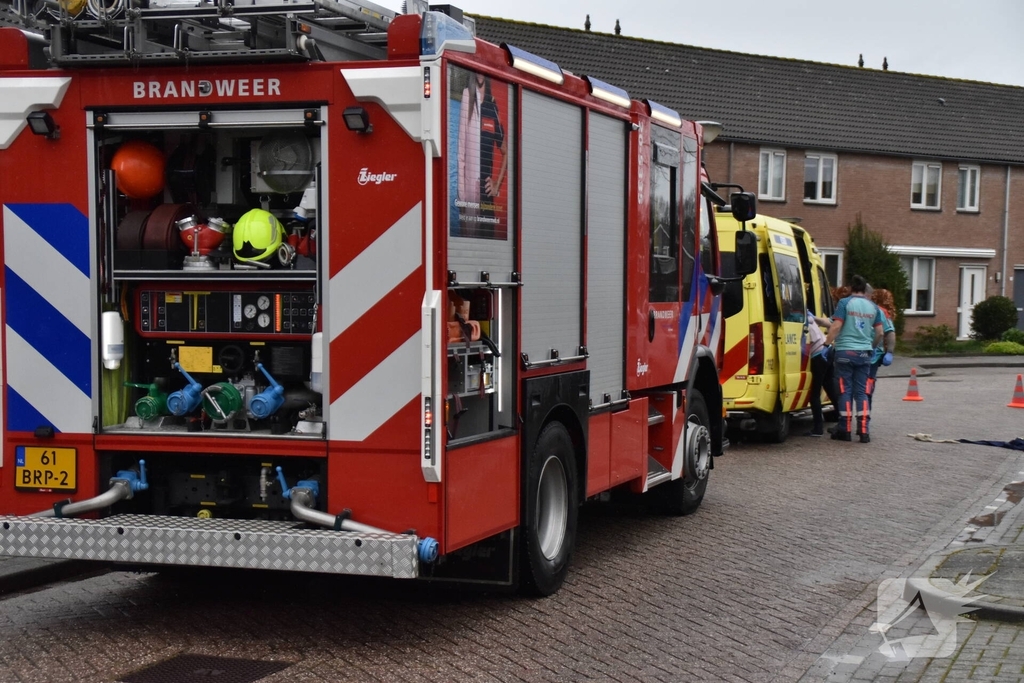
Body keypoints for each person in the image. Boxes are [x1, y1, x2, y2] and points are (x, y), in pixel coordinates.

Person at [823, 274, 884, 443]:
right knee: (862, 392)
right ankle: (864, 431)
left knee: (844, 391)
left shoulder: (845, 303)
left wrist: (826, 344)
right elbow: (880, 332)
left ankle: (845, 429)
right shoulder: (873, 307)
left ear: (850, 288)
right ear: (865, 290)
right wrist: (871, 347)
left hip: (844, 353)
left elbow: (836, 326)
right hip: (864, 355)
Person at [457, 72, 508, 238]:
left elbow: (505, 151)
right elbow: (461, 155)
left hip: (487, 200)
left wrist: (496, 184)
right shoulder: (467, 97)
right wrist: (463, 203)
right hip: (470, 196)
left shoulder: (492, 108)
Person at [804, 308, 838, 436]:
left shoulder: (803, 320)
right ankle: (843, 420)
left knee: (815, 393)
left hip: (819, 355)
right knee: (830, 387)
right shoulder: (810, 318)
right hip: (828, 350)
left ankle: (818, 429)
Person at [866, 287, 897, 410]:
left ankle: (863, 419)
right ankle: (859, 421)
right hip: (861, 355)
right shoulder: (849, 307)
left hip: (871, 356)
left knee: (865, 388)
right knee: (855, 390)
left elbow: (889, 332)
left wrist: (889, 352)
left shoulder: (879, 311)